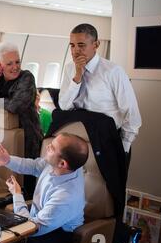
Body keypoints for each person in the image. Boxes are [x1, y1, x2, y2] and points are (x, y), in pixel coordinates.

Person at [0, 133, 88, 243]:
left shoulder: (66, 196)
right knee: (5, 231)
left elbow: (30, 228)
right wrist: (7, 160)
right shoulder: (65, 165)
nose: (47, 146)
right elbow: (35, 166)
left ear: (62, 163)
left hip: (60, 232)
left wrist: (17, 194)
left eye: (52, 147)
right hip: (41, 217)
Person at [59, 23, 141, 155]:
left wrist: (123, 147)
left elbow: (132, 113)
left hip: (108, 140)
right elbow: (64, 106)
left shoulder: (113, 71)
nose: (75, 51)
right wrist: (77, 76)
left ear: (96, 45)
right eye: (72, 45)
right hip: (78, 140)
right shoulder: (70, 69)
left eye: (81, 45)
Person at [0, 42, 42, 198]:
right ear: (0, 64)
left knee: (25, 188)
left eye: (17, 61)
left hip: (27, 140)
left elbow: (16, 106)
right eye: (9, 63)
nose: (15, 67)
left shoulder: (26, 77)